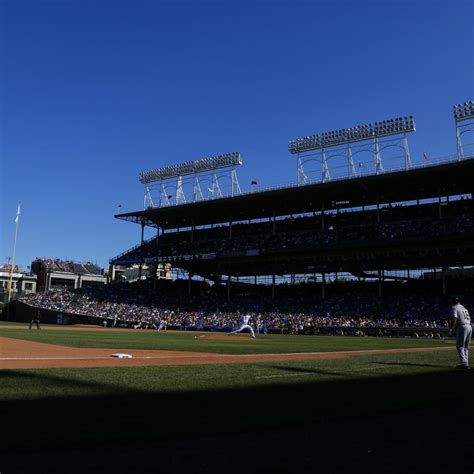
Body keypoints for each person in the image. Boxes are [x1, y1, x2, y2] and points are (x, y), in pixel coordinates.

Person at [448, 297, 471, 369]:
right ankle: (465, 363)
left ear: (453, 301)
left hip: (462, 327)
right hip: (469, 326)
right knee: (466, 347)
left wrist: (451, 328)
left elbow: (454, 318)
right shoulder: (464, 308)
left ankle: (464, 364)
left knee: (460, 346)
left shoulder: (454, 307)